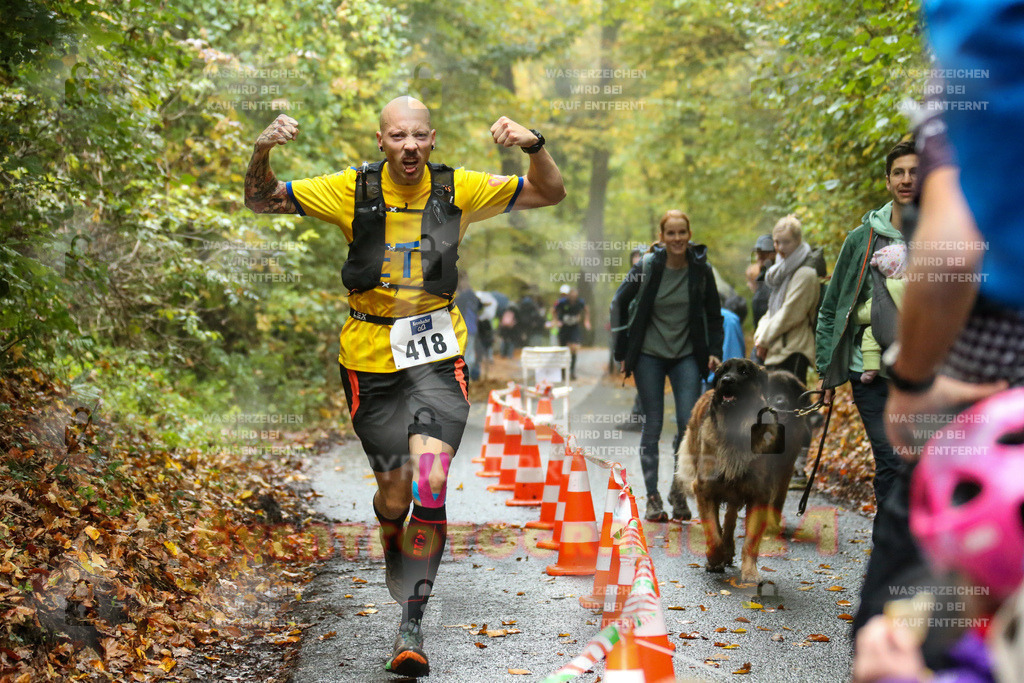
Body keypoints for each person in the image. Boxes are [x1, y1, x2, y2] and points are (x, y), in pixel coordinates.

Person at [243, 98, 564, 677]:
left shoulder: (459, 188)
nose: (409, 145)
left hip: (438, 357)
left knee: (431, 484)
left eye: (419, 135)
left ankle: (412, 623)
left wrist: (534, 145)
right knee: (395, 497)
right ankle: (393, 537)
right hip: (368, 357)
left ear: (433, 139)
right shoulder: (350, 189)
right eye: (398, 136)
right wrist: (262, 149)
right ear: (381, 140)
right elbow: (261, 200)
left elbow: (550, 193)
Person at [815, 139, 917, 513]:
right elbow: (830, 310)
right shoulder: (861, 240)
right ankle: (886, 553)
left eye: (914, 172)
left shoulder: (940, 236)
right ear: (888, 181)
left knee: (915, 462)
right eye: (898, 172)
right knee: (891, 458)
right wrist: (827, 372)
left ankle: (903, 552)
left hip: (923, 372)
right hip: (868, 369)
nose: (906, 179)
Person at [611, 210, 723, 522]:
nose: (676, 239)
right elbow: (617, 303)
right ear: (662, 238)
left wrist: (714, 350)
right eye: (670, 234)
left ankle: (677, 490)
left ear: (689, 235)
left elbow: (714, 314)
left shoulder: (702, 270)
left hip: (687, 353)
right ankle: (652, 498)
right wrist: (622, 352)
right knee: (654, 423)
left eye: (681, 233)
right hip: (649, 353)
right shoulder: (646, 267)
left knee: (689, 425)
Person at [754, 215, 819, 384]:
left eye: (786, 242)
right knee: (773, 408)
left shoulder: (805, 273)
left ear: (798, 240)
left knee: (792, 408)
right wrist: (760, 335)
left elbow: (790, 313)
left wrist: (764, 340)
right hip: (775, 350)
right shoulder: (781, 271)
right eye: (777, 242)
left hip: (793, 350)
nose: (780, 247)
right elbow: (771, 310)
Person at [858, 244, 907, 385]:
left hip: (891, 334)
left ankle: (871, 368)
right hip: (911, 333)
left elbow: (869, 313)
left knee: (870, 332)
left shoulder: (885, 290)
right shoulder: (916, 284)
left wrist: (854, 313)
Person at [553, 284, 591, 380]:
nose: (573, 297)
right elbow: (554, 310)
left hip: (574, 327)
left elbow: (586, 310)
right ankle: (562, 371)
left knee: (574, 348)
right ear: (569, 295)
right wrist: (556, 321)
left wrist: (586, 321)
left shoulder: (580, 302)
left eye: (575, 295)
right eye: (571, 295)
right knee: (563, 350)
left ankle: (572, 371)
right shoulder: (562, 302)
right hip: (564, 328)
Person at [749, 233, 776, 333]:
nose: (759, 257)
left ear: (773, 254)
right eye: (758, 253)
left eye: (764, 253)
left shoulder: (776, 279)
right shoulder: (761, 279)